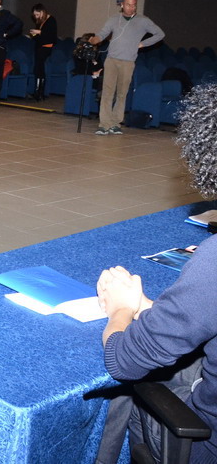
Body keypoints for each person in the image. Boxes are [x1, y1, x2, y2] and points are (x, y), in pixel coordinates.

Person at [96, 82, 217, 464]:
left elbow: (123, 360)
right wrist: (148, 307)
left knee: (127, 396)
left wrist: (121, 310)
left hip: (205, 444)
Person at [90, 0, 165, 135]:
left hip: (128, 62)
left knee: (121, 94)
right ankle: (104, 124)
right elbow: (102, 34)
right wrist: (94, 40)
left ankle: (115, 123)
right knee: (107, 93)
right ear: (122, 5)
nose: (131, 8)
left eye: (134, 5)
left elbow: (160, 34)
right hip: (111, 60)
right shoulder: (114, 19)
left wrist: (142, 44)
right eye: (128, 5)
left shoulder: (143, 21)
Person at [28, 3, 57, 101]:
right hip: (39, 47)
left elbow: (51, 36)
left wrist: (39, 32)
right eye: (35, 15)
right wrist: (34, 35)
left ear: (42, 12)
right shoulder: (40, 21)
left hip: (46, 47)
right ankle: (38, 92)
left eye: (37, 14)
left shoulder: (51, 20)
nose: (36, 17)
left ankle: (40, 92)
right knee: (37, 69)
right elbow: (39, 38)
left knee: (40, 69)